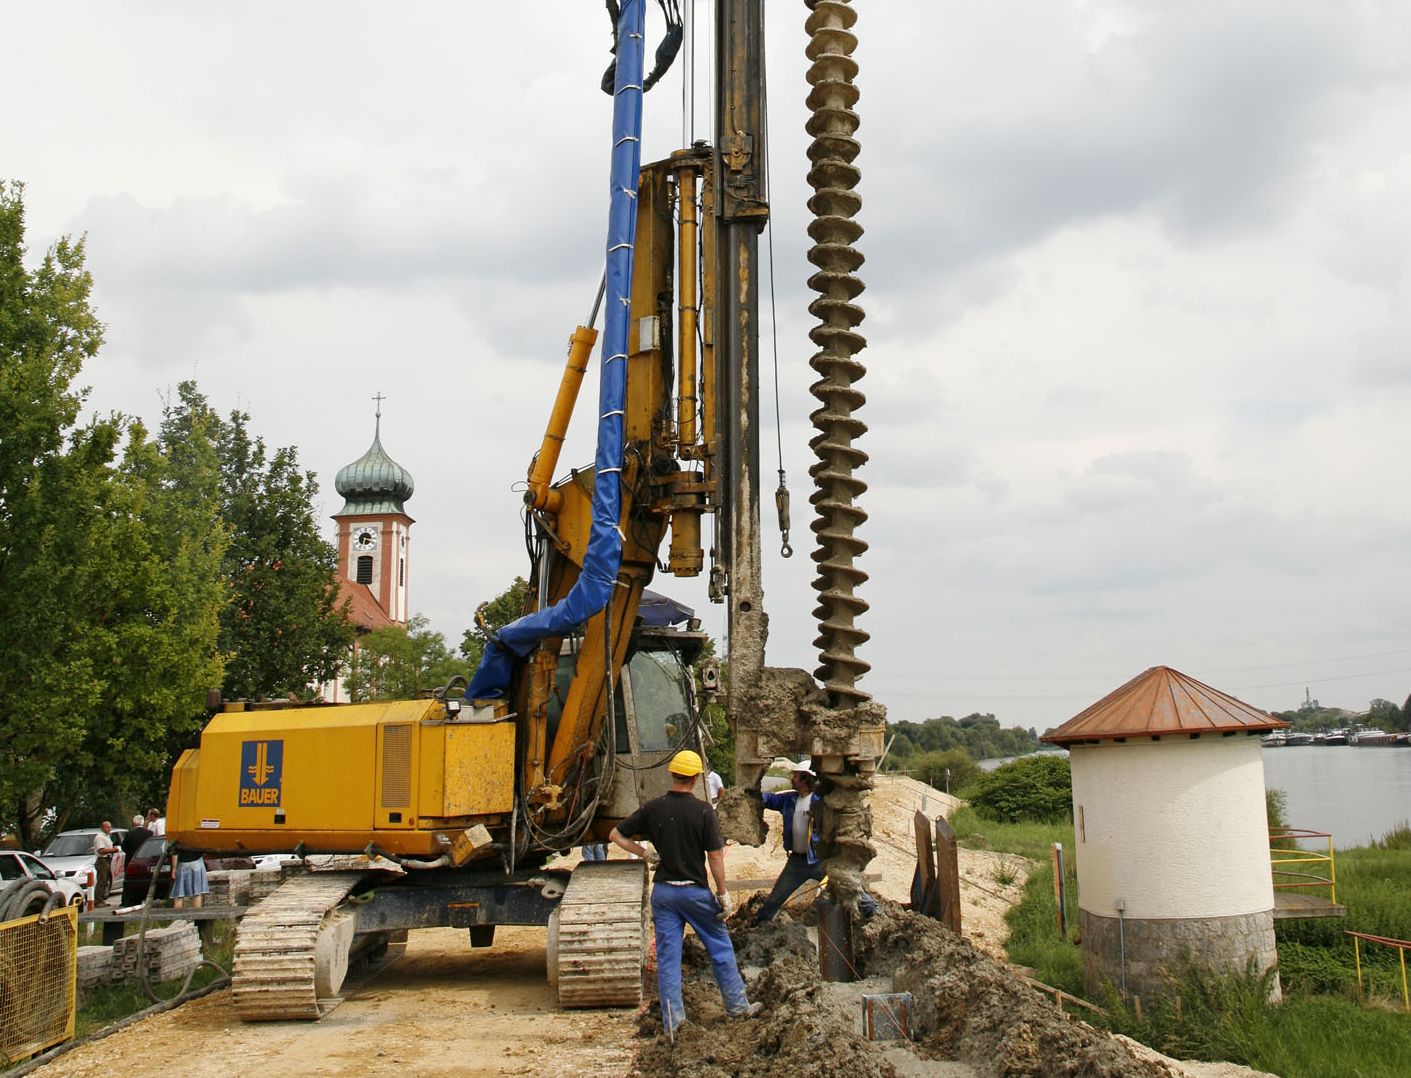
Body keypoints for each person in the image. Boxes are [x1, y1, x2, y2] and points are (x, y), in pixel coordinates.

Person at [609, 749, 760, 1037]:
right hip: (694, 893)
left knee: (668, 960)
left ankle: (673, 1025)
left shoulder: (654, 808)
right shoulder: (704, 811)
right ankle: (738, 1008)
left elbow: (616, 835)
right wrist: (723, 893)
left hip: (664, 894)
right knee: (720, 948)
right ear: (695, 779)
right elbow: (715, 856)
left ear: (673, 774)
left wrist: (645, 854)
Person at [753, 761, 876, 925]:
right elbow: (769, 799)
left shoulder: (821, 802)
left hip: (820, 860)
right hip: (796, 862)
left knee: (844, 884)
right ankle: (760, 923)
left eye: (795, 775)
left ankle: (869, 909)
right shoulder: (790, 799)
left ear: (805, 779)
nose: (792, 778)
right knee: (776, 897)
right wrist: (750, 790)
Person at [92, 821, 117, 904]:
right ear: (102, 827)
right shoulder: (99, 837)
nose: (109, 829)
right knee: (101, 880)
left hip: (107, 859)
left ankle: (101, 899)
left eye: (110, 827)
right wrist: (113, 850)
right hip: (102, 859)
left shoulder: (107, 836)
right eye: (107, 827)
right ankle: (98, 900)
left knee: (105, 880)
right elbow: (101, 850)